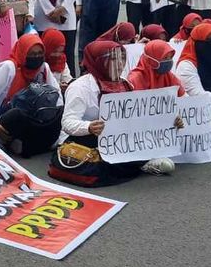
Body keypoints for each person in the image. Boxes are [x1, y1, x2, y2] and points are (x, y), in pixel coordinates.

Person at [57, 40, 175, 186]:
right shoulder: (79, 88)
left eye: (122, 58)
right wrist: (89, 127)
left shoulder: (125, 84)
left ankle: (137, 160)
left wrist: (169, 121)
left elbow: (138, 118)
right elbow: (67, 123)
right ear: (98, 62)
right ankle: (140, 162)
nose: (120, 64)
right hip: (85, 138)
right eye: (113, 59)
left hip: (113, 139)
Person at [0, 34, 62, 150]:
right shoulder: (9, 67)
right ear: (23, 52)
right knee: (16, 115)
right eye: (32, 54)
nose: (37, 57)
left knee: (59, 111)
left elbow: (56, 95)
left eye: (40, 54)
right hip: (7, 115)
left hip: (33, 114)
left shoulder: (43, 68)